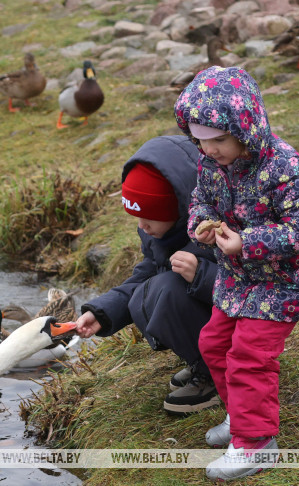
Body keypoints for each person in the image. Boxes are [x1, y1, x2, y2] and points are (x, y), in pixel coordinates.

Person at [174, 66, 299, 481]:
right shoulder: (211, 165)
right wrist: (202, 226)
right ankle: (240, 416)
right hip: (239, 279)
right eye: (199, 141)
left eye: (219, 140)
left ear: (246, 127)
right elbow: (200, 203)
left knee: (249, 356)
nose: (209, 151)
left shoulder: (283, 165)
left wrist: (248, 242)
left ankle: (256, 443)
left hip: (286, 280)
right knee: (214, 342)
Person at [73, 135, 219, 416]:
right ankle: (203, 362)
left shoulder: (213, 228)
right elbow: (144, 275)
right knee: (149, 289)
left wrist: (201, 274)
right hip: (211, 320)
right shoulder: (160, 230)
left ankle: (217, 375)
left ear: (177, 208)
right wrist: (102, 313)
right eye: (137, 218)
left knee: (167, 289)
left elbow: (251, 288)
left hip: (244, 328)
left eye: (150, 217)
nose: (142, 227)